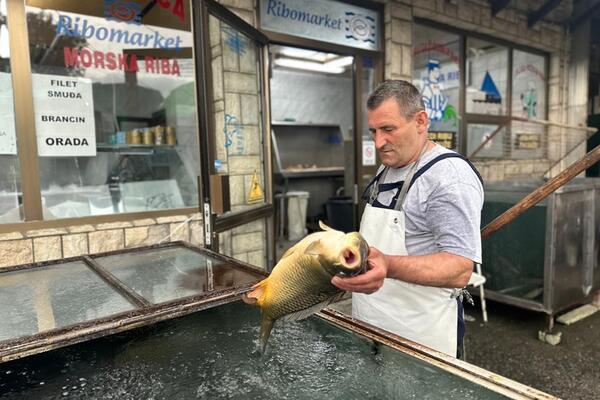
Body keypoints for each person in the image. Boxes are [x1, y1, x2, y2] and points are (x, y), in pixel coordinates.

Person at [331, 80, 483, 358]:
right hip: (371, 326)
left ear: (421, 121)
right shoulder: (388, 167)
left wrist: (388, 265)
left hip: (421, 339)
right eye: (374, 131)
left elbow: (460, 268)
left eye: (388, 129)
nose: (379, 142)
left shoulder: (449, 177)